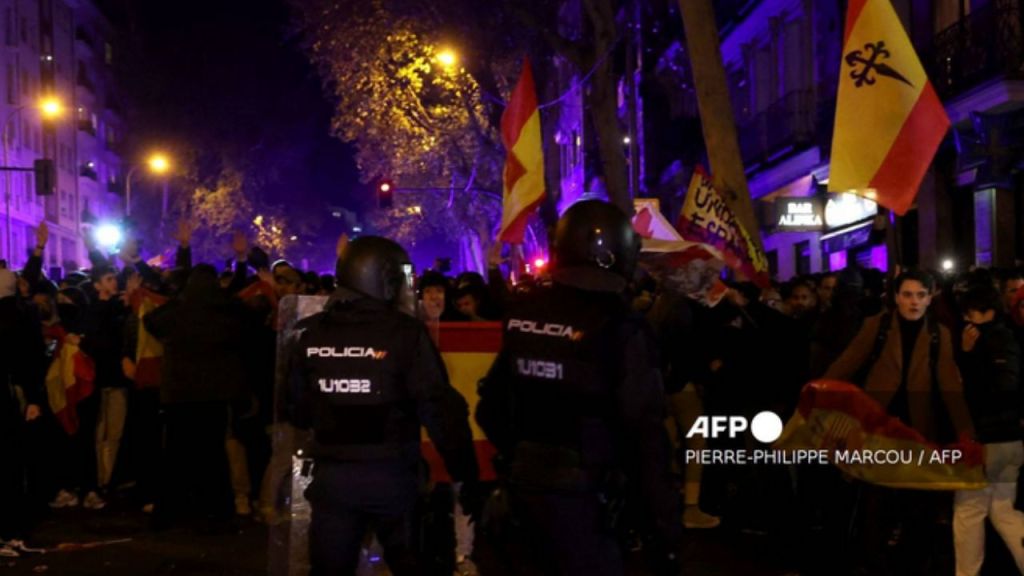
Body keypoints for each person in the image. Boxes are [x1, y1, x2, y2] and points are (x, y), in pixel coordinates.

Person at [476, 200, 681, 575]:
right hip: (588, 504)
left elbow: (489, 408)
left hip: (521, 495)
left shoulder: (524, 315)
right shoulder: (622, 327)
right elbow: (646, 438)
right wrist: (664, 533)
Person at [288, 236, 480, 575]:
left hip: (333, 480)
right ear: (386, 280)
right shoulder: (406, 334)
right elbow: (440, 412)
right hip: (393, 478)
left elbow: (295, 409)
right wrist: (467, 477)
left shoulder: (309, 333)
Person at [952, 282, 1024, 576]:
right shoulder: (1009, 337)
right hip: (1009, 441)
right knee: (1003, 511)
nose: (967, 321)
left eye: (971, 314)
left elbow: (991, 391)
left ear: (985, 313)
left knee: (969, 513)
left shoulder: (990, 341)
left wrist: (967, 356)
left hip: (987, 440)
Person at [0, 269, 46, 557]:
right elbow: (32, 359)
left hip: (8, 397)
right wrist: (33, 397)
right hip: (15, 399)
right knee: (12, 466)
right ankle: (12, 530)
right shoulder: (23, 315)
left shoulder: (13, 319)